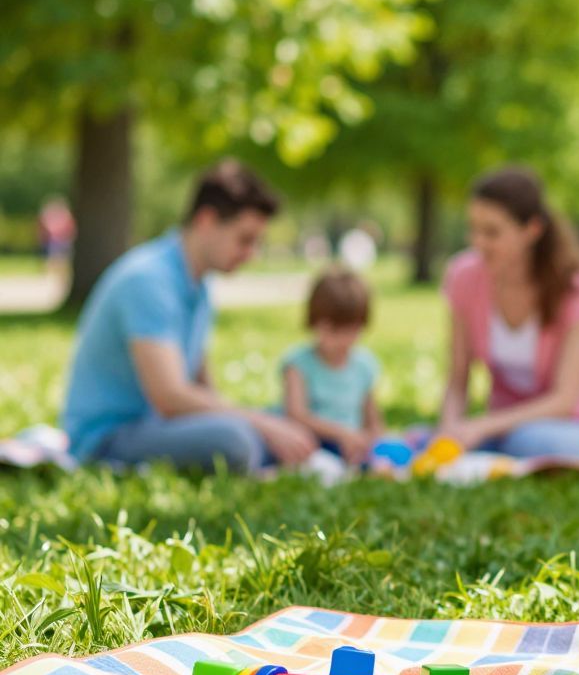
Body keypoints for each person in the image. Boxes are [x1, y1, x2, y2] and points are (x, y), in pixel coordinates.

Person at [62, 160, 317, 472]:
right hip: (109, 438)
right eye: (245, 239)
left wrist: (268, 422)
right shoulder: (149, 280)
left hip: (158, 426)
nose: (251, 254)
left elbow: (200, 382)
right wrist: (261, 424)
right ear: (207, 220)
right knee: (236, 440)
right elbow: (170, 396)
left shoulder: (198, 282)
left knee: (273, 421)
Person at [438, 167, 579, 459]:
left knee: (530, 442)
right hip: (500, 427)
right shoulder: (463, 276)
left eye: (492, 232)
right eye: (473, 228)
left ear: (531, 230)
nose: (478, 242)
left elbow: (565, 399)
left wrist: (482, 426)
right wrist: (449, 429)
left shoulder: (573, 289)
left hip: (578, 426)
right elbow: (458, 379)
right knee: (425, 441)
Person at [279, 268, 385, 465]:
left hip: (352, 447)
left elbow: (373, 422)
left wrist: (369, 441)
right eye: (334, 331)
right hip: (313, 445)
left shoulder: (364, 366)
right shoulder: (298, 364)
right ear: (314, 322)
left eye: (352, 331)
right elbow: (296, 415)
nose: (343, 340)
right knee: (320, 466)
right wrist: (341, 434)